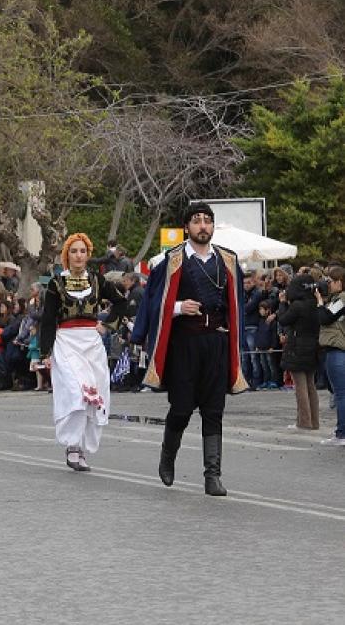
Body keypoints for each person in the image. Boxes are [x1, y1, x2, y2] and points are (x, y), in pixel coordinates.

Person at [131, 203, 247, 496]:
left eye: (208, 221)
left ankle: (213, 475)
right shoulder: (171, 261)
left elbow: (238, 305)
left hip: (216, 343)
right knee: (181, 409)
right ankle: (167, 457)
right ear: (187, 227)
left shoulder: (228, 260)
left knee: (214, 410)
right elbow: (153, 303)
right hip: (184, 345)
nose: (203, 226)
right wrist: (179, 307)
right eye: (197, 221)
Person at [39, 233, 128, 472]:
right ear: (66, 255)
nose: (78, 256)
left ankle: (81, 446)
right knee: (75, 392)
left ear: (88, 255)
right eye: (74, 251)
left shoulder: (98, 281)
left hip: (91, 343)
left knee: (93, 396)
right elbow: (47, 319)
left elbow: (122, 302)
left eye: (82, 251)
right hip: (66, 342)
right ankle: (72, 446)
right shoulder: (56, 283)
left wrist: (107, 325)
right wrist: (45, 352)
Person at [278, 273, 321, 430]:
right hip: (313, 346)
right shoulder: (316, 303)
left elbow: (283, 319)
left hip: (297, 346)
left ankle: (303, 422)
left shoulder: (297, 306)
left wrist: (282, 303)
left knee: (300, 387)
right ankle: (314, 421)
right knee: (311, 385)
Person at [316, 266, 345, 445]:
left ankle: (341, 434)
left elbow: (325, 318)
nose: (329, 284)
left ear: (340, 282)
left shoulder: (342, 299)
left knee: (341, 394)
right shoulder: (338, 299)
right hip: (337, 351)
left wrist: (319, 302)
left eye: (332, 281)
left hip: (338, 351)